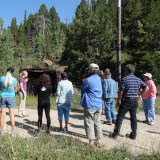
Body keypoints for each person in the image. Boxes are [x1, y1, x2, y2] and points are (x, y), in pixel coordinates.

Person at [109, 64, 148, 140]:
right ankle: (133, 135)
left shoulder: (124, 79)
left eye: (124, 70)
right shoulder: (138, 79)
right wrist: (139, 95)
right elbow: (146, 88)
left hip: (126, 100)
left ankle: (115, 134)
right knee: (133, 117)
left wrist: (117, 101)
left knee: (120, 116)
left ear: (127, 70)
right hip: (134, 101)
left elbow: (121, 92)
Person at [80, 63, 103, 147]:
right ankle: (99, 140)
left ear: (90, 70)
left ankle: (91, 142)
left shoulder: (88, 80)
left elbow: (82, 90)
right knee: (98, 122)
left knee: (89, 122)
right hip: (98, 104)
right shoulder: (100, 79)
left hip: (90, 104)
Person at [0, 67, 18, 135]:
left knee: (2, 115)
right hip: (11, 97)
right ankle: (13, 131)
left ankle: (1, 130)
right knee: (11, 115)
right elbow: (15, 90)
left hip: (3, 97)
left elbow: (0, 88)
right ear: (12, 73)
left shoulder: (1, 78)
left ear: (6, 71)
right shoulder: (14, 79)